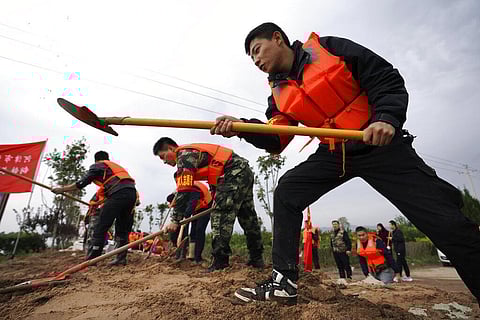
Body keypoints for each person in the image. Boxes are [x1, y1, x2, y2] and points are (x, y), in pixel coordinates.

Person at [209, 22, 480, 306]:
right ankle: (283, 282)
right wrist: (241, 127)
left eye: (257, 50)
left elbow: (384, 77)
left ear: (277, 38)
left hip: (380, 145)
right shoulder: (278, 93)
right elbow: (277, 137)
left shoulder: (329, 49)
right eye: (251, 58)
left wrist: (386, 117)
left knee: (446, 222)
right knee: (287, 190)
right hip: (334, 154)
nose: (256, 61)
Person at [153, 138, 264, 272]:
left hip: (233, 172)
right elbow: (215, 173)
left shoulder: (184, 155)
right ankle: (256, 259)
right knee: (247, 216)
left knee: (220, 216)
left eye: (163, 157)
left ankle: (220, 262)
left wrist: (175, 220)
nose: (165, 161)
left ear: (171, 148)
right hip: (242, 171)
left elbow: (184, 190)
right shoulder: (193, 153)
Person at [52, 151, 137, 266]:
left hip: (118, 193)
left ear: (96, 160)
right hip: (132, 194)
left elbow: (81, 183)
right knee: (122, 230)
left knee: (101, 227)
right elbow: (106, 195)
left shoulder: (98, 165)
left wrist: (61, 189)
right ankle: (121, 259)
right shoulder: (114, 170)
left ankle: (93, 259)